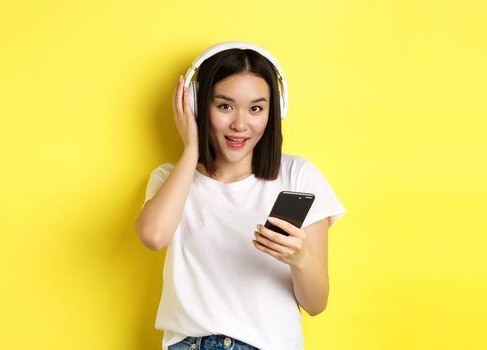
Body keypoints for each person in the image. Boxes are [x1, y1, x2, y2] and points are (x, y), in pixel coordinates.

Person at [134, 42, 346, 350]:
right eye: (224, 106)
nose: (240, 124)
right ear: (196, 105)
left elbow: (316, 304)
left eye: (256, 108)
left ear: (273, 112)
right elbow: (153, 236)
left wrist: (298, 259)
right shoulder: (171, 177)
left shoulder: (299, 174)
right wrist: (191, 150)